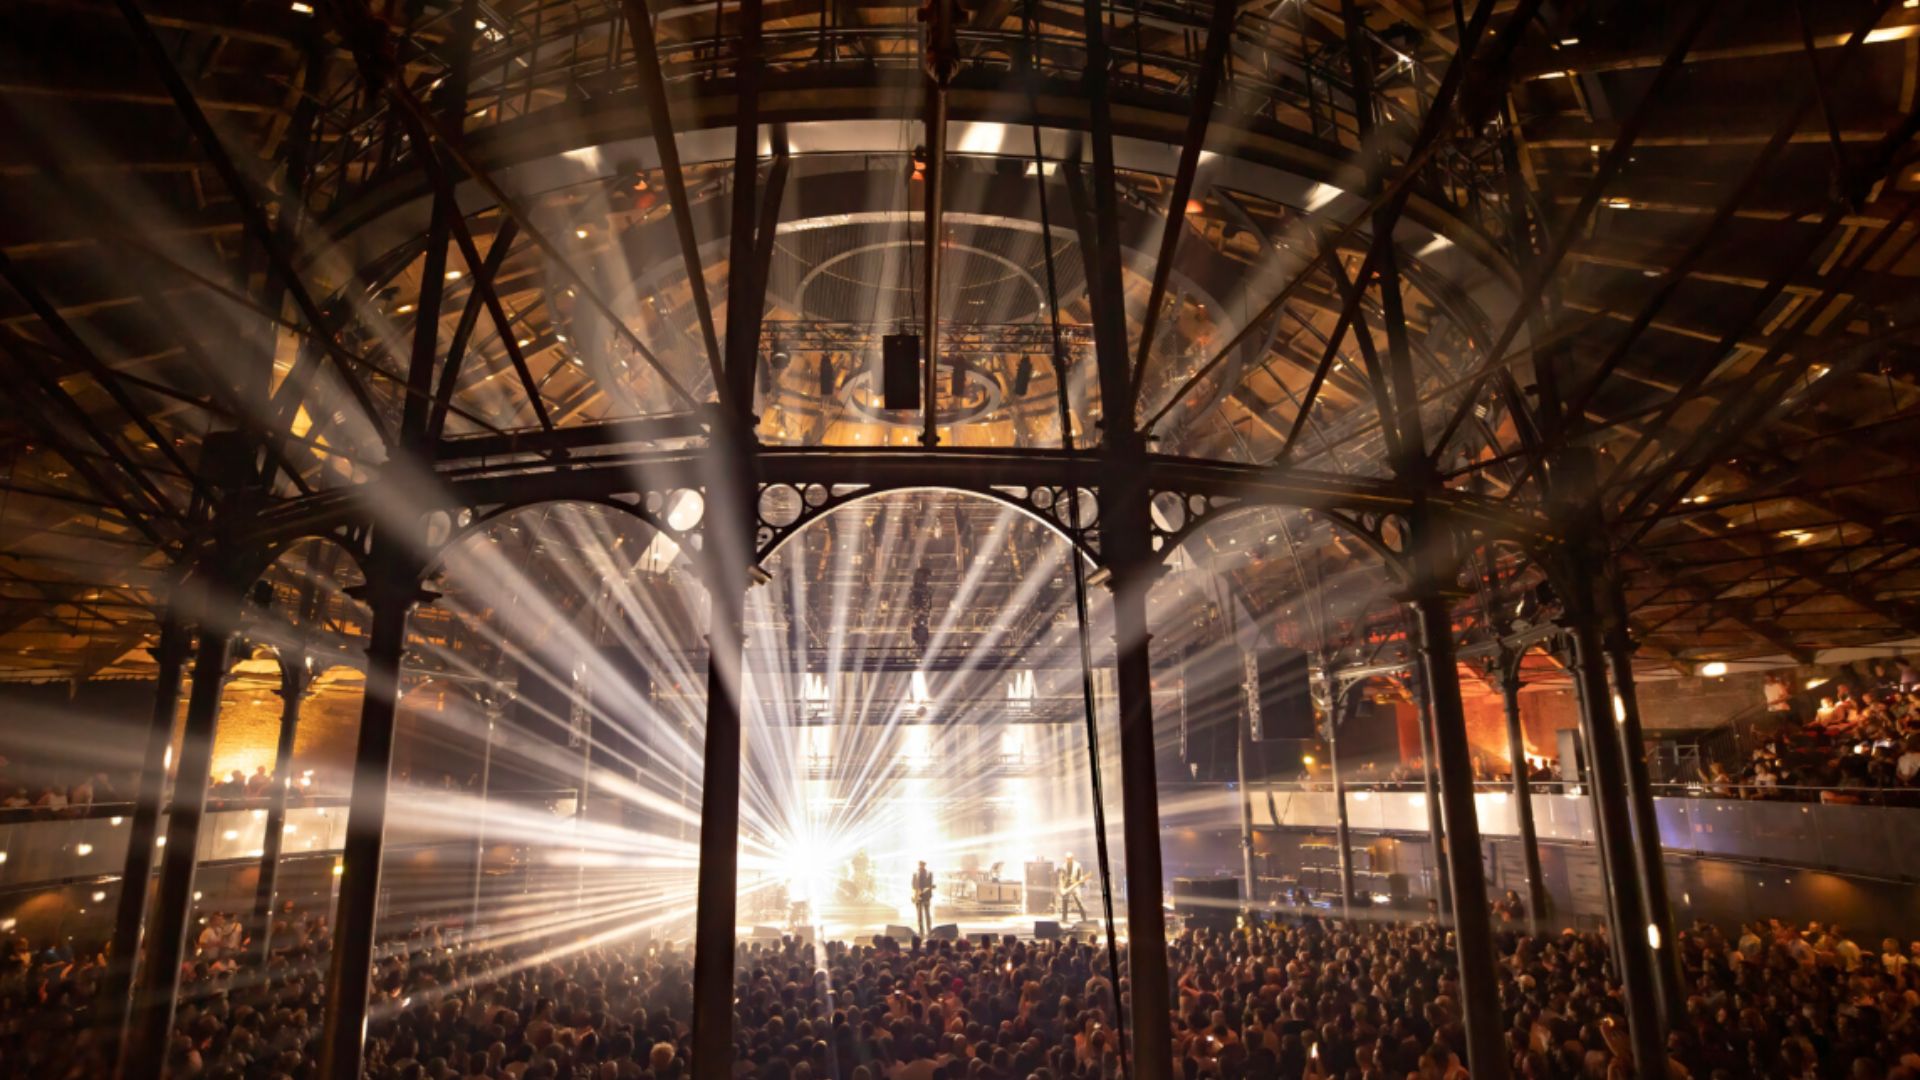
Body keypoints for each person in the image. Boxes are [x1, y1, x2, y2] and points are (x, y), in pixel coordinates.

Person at [1058, 852, 1088, 923]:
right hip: (1066, 887)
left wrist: (1081, 878)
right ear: (1066, 858)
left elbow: (1080, 875)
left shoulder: (1078, 865)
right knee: (1064, 903)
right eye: (1067, 858)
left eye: (1070, 858)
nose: (1068, 859)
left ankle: (1084, 918)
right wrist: (1061, 888)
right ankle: (1064, 919)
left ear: (1072, 858)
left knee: (1079, 902)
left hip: (1075, 886)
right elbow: (1061, 878)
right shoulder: (1063, 866)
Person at [910, 860, 935, 937]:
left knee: (927, 914)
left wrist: (928, 892)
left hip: (926, 897)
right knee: (919, 916)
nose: (921, 867)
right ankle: (921, 932)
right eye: (920, 865)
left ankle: (929, 931)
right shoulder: (915, 874)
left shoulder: (929, 874)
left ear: (924, 866)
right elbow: (913, 885)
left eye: (922, 865)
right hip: (918, 896)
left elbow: (930, 885)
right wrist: (916, 894)